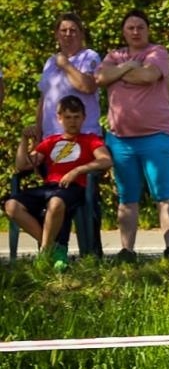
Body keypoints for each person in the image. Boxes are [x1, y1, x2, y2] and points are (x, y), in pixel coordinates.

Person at [96, 9, 169, 259]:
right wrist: (128, 66)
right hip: (120, 140)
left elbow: (148, 75)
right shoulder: (115, 55)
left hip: (156, 136)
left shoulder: (157, 52)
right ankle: (126, 251)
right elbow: (99, 77)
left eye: (140, 27)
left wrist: (119, 72)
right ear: (123, 31)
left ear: (148, 30)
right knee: (127, 197)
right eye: (130, 27)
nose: (135, 31)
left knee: (163, 194)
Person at [5, 95, 110, 269]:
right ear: (59, 118)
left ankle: (45, 253)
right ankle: (54, 249)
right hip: (49, 187)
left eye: (76, 117)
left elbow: (106, 160)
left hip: (75, 188)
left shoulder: (91, 139)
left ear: (84, 118)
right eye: (68, 117)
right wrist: (24, 140)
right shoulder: (51, 142)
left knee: (55, 202)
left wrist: (77, 171)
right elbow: (22, 165)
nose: (72, 122)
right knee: (11, 205)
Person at [39, 11, 103, 138]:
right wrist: (37, 129)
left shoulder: (90, 57)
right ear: (56, 35)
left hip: (84, 135)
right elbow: (43, 99)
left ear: (81, 34)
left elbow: (88, 87)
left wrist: (66, 65)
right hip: (51, 136)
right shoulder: (50, 62)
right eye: (63, 30)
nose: (68, 34)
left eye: (73, 30)